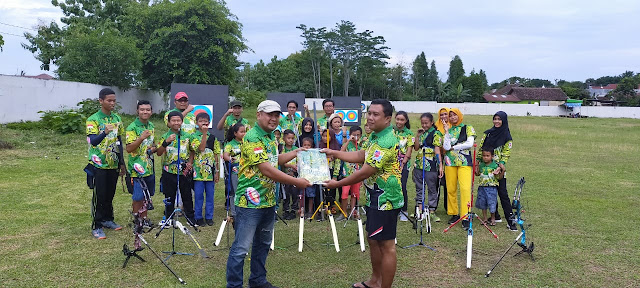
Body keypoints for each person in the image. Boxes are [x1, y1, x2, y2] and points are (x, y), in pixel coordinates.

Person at [226, 100, 311, 288]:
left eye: (276, 115)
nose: (274, 118)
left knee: (263, 244)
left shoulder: (271, 136)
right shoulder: (252, 137)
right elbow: (266, 169)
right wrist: (298, 182)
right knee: (241, 248)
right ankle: (234, 285)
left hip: (268, 200)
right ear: (259, 115)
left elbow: (273, 160)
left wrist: (296, 151)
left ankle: (257, 281)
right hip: (249, 203)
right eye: (269, 114)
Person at [323, 99, 403, 288]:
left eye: (376, 114)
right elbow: (361, 155)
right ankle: (375, 281)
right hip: (376, 197)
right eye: (369, 113)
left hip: (386, 200)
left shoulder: (386, 141)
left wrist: (337, 184)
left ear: (388, 118)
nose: (371, 117)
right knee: (374, 240)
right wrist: (333, 153)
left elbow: (365, 170)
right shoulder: (375, 136)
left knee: (387, 245)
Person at [86, 88, 126, 239]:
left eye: (114, 100)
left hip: (113, 163)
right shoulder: (93, 119)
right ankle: (96, 226)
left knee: (110, 194)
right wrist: (104, 132)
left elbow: (119, 141)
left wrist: (121, 162)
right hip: (98, 164)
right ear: (101, 101)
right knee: (99, 195)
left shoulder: (117, 118)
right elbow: (93, 141)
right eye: (109, 100)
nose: (112, 103)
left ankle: (108, 219)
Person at [476, 111, 517, 231]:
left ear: (504, 120)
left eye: (499, 119)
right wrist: (478, 161)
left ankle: (511, 221)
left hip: (498, 169)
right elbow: (481, 149)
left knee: (503, 194)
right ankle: (496, 216)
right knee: (488, 191)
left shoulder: (507, 137)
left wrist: (501, 166)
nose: (497, 121)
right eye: (495, 119)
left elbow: (506, 154)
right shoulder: (488, 134)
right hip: (485, 169)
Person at [156, 111, 196, 224]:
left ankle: (190, 217)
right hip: (169, 171)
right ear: (168, 122)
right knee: (169, 195)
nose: (176, 123)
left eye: (178, 120)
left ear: (182, 122)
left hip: (184, 171)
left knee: (187, 194)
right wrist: (166, 142)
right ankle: (169, 217)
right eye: (173, 120)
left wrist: (190, 163)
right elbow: (159, 152)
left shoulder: (188, 136)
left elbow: (192, 151)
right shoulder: (165, 136)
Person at [442, 108, 476, 230]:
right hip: (450, 162)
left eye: (454, 115)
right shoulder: (449, 130)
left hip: (464, 162)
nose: (452, 117)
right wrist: (446, 132)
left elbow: (469, 143)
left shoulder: (467, 128)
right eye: (450, 116)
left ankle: (465, 216)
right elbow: (445, 146)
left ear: (459, 115)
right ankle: (454, 213)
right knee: (450, 189)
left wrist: (454, 147)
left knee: (465, 188)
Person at [125, 100, 157, 229]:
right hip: (136, 169)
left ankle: (144, 218)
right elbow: (129, 148)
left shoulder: (151, 126)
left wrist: (153, 148)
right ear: (137, 111)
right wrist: (141, 138)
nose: (145, 112)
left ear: (151, 111)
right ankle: (137, 220)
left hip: (149, 167)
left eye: (147, 109)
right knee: (138, 196)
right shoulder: (132, 127)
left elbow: (153, 144)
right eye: (142, 109)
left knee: (146, 195)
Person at [412, 113, 443, 222]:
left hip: (431, 165)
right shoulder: (422, 134)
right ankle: (420, 209)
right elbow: (416, 148)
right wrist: (417, 136)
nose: (424, 125)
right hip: (419, 164)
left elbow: (437, 149)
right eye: (422, 123)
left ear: (431, 122)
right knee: (419, 186)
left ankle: (432, 211)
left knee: (432, 188)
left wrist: (440, 165)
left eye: (426, 123)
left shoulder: (436, 134)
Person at [191, 113, 221, 227]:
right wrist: (204, 134)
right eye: (201, 121)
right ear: (196, 123)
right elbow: (201, 148)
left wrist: (217, 171)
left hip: (210, 173)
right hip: (198, 172)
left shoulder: (213, 138)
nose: (204, 123)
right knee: (198, 195)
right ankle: (198, 217)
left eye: (206, 121)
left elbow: (216, 155)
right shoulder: (194, 137)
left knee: (210, 195)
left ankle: (209, 217)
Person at [334, 126, 363, 221]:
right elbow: (341, 152)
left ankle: (352, 211)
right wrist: (348, 140)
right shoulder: (348, 144)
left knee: (355, 194)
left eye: (358, 135)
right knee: (344, 194)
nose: (356, 137)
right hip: (347, 174)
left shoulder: (361, 146)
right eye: (354, 135)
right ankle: (343, 212)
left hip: (357, 174)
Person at [223, 122, 246, 225]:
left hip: (246, 172)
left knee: (245, 191)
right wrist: (230, 159)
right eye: (241, 132)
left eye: (245, 131)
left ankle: (245, 211)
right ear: (235, 133)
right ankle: (234, 213)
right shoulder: (230, 144)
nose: (244, 134)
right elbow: (225, 155)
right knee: (235, 192)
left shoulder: (247, 142)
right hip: (235, 171)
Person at [394, 111, 414, 221]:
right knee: (392, 186)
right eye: (397, 119)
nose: (399, 122)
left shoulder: (409, 134)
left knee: (402, 186)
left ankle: (404, 210)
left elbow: (409, 151)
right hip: (391, 164)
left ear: (406, 121)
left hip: (403, 164)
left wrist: (403, 163)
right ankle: (394, 209)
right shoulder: (391, 131)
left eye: (402, 120)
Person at [475, 148, 502, 226]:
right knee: (483, 203)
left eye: (487, 156)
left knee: (492, 203)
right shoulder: (481, 165)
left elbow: (498, 177)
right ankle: (485, 219)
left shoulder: (495, 165)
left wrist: (500, 171)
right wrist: (476, 167)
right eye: (484, 156)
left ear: (492, 156)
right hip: (482, 187)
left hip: (491, 188)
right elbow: (477, 174)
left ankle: (493, 218)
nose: (485, 157)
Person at [280, 129, 299, 220]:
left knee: (295, 194)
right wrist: (290, 165)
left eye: (292, 138)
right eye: (288, 138)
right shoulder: (282, 149)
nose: (291, 140)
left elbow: (299, 160)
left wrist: (297, 166)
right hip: (285, 176)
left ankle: (293, 210)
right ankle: (286, 210)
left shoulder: (296, 149)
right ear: (284, 138)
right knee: (286, 194)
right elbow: (282, 162)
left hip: (294, 176)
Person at [435, 108, 450, 212]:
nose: (443, 117)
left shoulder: (453, 127)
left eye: (446, 114)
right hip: (438, 157)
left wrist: (447, 130)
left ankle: (448, 206)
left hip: (449, 158)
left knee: (448, 183)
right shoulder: (436, 126)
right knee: (436, 182)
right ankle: (433, 205)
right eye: (441, 115)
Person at [300, 137, 317, 219]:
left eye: (308, 145)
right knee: (302, 194)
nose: (306, 147)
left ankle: (310, 211)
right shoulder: (300, 154)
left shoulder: (313, 155)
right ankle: (302, 210)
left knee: (311, 194)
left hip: (311, 177)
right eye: (305, 145)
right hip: (302, 177)